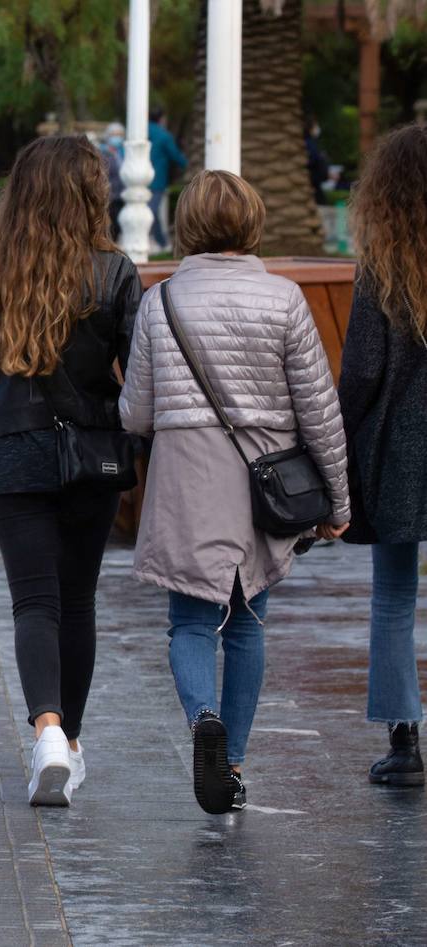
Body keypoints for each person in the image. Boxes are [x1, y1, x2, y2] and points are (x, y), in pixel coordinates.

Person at [119, 170, 350, 815]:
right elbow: (318, 411)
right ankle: (236, 764)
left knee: (190, 622)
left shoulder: (160, 303)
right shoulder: (284, 300)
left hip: (187, 477)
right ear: (253, 224)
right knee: (248, 622)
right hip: (264, 479)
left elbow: (136, 413)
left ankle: (203, 723)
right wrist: (338, 503)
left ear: (186, 226)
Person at [0, 135, 140, 807]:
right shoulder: (113, 272)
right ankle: (70, 743)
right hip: (94, 456)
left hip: (12, 453)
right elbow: (139, 374)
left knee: (33, 600)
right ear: (91, 192)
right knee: (77, 599)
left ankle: (46, 731)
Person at [337, 125, 427, 786]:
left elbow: (363, 370)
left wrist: (334, 438)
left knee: (394, 595)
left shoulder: (384, 266)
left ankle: (404, 742)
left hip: (401, 448)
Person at [148, 106, 187, 252]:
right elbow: (176, 156)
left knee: (151, 211)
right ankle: (162, 243)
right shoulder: (164, 136)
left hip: (137, 178)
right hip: (157, 180)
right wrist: (187, 164)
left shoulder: (139, 130)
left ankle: (160, 241)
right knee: (152, 211)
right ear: (161, 119)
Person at [101, 122, 126, 239]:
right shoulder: (102, 153)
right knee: (111, 226)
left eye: (119, 134)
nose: (117, 137)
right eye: (114, 134)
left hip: (122, 195)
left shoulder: (124, 152)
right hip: (109, 195)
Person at [306, 118, 331, 206]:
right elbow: (311, 161)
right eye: (316, 126)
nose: (317, 128)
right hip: (313, 181)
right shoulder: (309, 143)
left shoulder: (312, 142)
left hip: (315, 182)